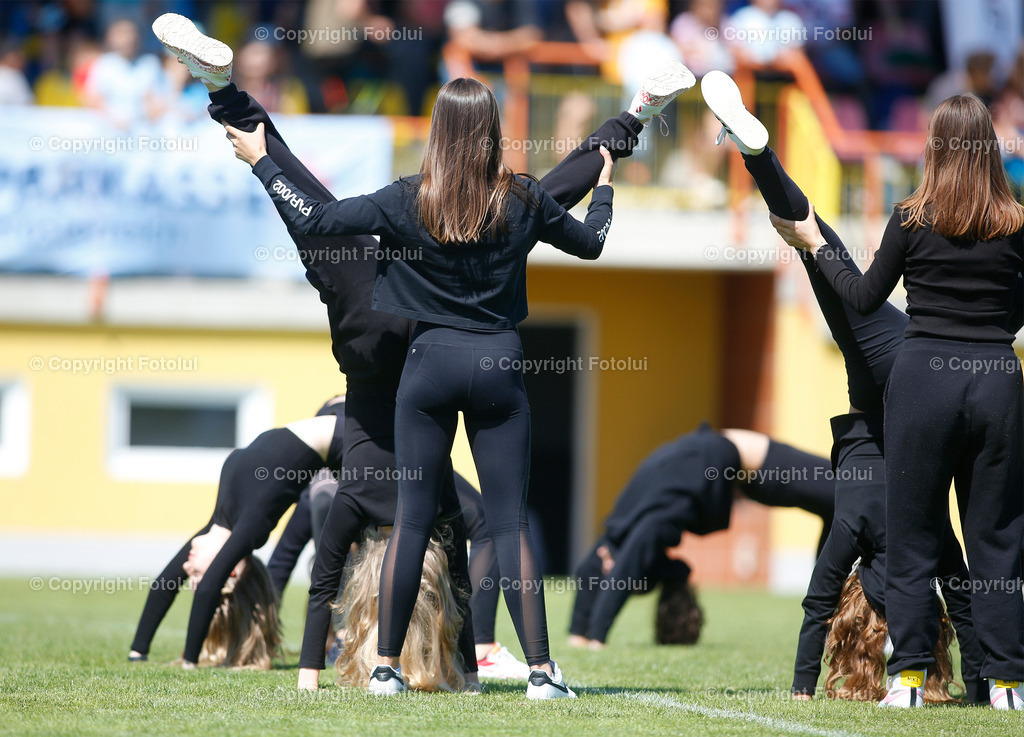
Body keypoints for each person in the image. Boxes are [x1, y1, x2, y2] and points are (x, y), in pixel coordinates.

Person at [154, 12, 690, 697]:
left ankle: (223, 89)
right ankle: (538, 667)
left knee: (308, 202)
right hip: (480, 343)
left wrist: (260, 161)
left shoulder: (410, 197)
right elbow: (579, 225)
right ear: (492, 134)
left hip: (404, 348)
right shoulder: (515, 198)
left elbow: (313, 212)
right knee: (502, 518)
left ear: (436, 135)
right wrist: (612, 174)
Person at [703, 69, 1017, 708]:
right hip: (991, 379)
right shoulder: (1018, 222)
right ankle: (1007, 684)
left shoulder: (911, 215)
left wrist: (816, 246)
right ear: (994, 148)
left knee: (912, 535)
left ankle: (760, 157)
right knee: (996, 540)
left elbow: (864, 292)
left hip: (917, 370)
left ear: (933, 149)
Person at [567, 425, 835, 648]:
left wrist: (596, 637)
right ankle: (828, 608)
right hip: (746, 467)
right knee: (841, 497)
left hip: (751, 457)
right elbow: (595, 566)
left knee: (845, 492)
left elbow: (625, 567)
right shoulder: (629, 520)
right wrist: (577, 634)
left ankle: (830, 606)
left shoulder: (646, 524)